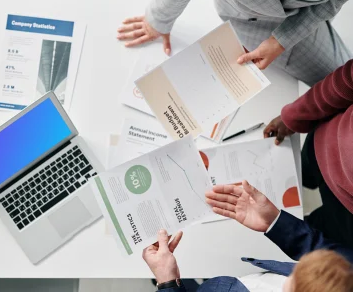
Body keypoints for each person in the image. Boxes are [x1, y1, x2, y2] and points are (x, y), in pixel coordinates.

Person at [117, 0, 353, 86]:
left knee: (343, 86)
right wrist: (158, 21)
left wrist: (281, 40)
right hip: (247, 19)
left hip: (303, 17)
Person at [143, 181, 353, 291]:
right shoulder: (344, 276)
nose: (292, 273)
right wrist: (274, 222)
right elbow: (321, 249)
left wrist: (167, 282)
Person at [263, 59, 353, 247]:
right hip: (323, 146)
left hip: (346, 216)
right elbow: (344, 81)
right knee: (289, 179)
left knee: (300, 231)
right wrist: (293, 116)